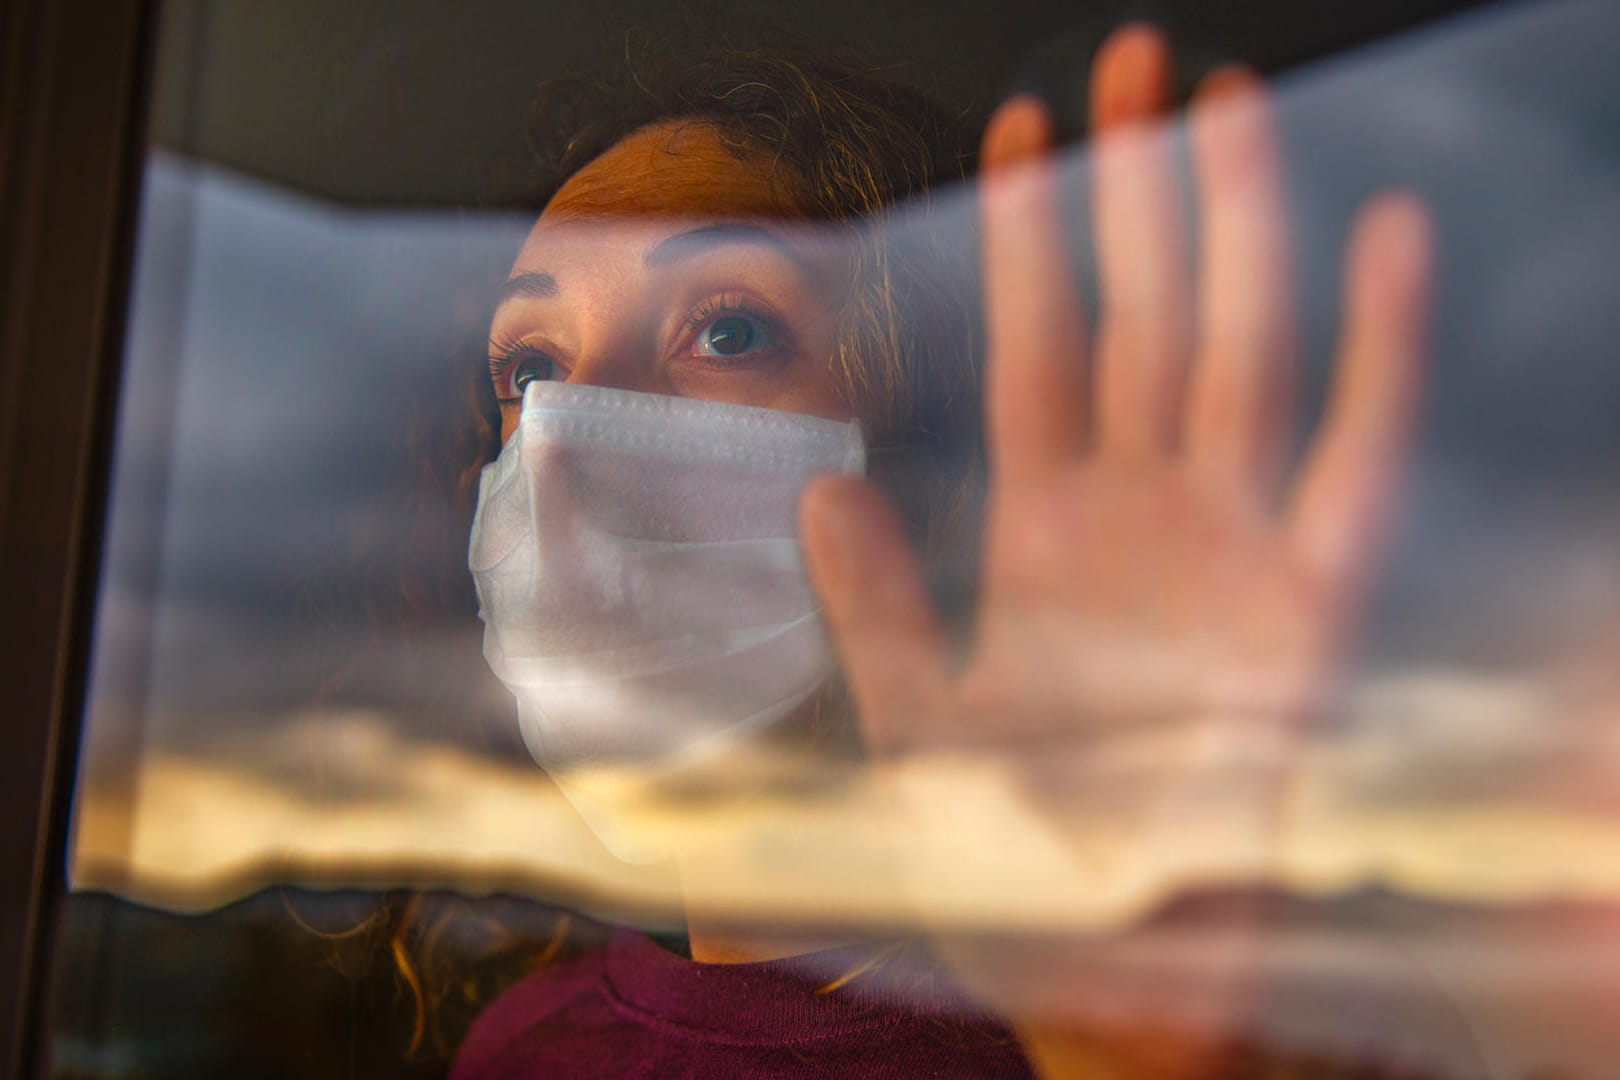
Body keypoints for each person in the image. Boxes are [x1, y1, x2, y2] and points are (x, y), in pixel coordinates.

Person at [443, 20, 1433, 1080]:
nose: (562, 446)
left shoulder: (1097, 1031)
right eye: (531, 371)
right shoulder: (525, 1050)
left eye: (728, 330)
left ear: (943, 473)